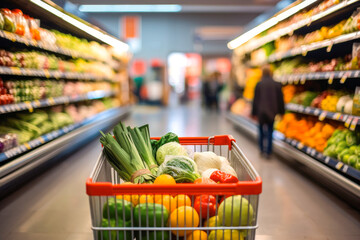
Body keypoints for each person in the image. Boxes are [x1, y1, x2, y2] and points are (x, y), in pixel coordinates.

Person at [251, 65, 285, 158]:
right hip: (272, 111)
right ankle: (269, 151)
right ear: (270, 73)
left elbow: (255, 99)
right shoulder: (277, 84)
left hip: (261, 111)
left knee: (261, 131)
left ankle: (262, 150)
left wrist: (253, 112)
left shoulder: (259, 84)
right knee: (270, 131)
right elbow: (280, 99)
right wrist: (282, 112)